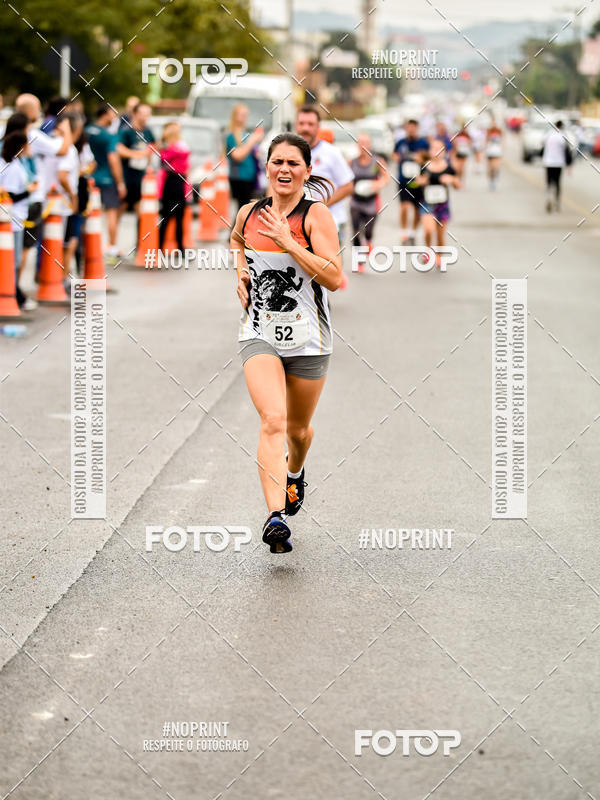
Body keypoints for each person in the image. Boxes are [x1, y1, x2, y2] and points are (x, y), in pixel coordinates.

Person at [230, 132, 342, 553]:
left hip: (310, 338)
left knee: (298, 431)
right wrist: (239, 272)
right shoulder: (248, 214)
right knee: (273, 420)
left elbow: (333, 276)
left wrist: (289, 243)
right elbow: (235, 243)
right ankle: (275, 516)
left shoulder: (316, 217)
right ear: (267, 166)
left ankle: (295, 475)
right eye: (277, 161)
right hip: (258, 331)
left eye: (294, 163)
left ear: (307, 171)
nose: (284, 169)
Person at [295, 106, 354, 288]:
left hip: (330, 220)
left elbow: (348, 186)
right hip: (297, 220)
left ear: (318, 127)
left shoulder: (331, 153)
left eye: (310, 124)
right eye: (302, 123)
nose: (306, 128)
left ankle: (324, 298)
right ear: (296, 125)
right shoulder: (290, 152)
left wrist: (320, 205)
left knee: (324, 271)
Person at [1, 131, 39, 307]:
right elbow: (9, 196)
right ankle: (13, 295)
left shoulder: (16, 163)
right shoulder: (11, 167)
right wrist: (28, 191)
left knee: (14, 260)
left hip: (16, 217)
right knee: (13, 260)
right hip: (12, 219)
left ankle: (13, 294)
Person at [86, 104, 126, 263]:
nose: (115, 117)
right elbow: (113, 158)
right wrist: (121, 182)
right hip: (108, 178)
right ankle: (112, 248)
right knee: (111, 214)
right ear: (106, 114)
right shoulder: (108, 136)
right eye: (113, 114)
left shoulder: (87, 130)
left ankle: (88, 247)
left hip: (90, 178)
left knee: (89, 214)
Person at [417, 138, 460, 268]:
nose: (436, 151)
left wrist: (451, 179)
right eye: (434, 148)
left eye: (439, 149)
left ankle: (439, 257)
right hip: (427, 203)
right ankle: (428, 250)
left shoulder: (448, 167)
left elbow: (458, 185)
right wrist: (421, 181)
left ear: (444, 151)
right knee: (429, 229)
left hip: (442, 204)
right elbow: (416, 181)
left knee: (440, 235)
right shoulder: (423, 166)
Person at [349, 133, 389, 272]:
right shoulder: (352, 162)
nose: (363, 146)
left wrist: (379, 184)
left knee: (368, 232)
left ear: (370, 145)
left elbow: (386, 177)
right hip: (355, 201)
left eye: (365, 143)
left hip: (372, 202)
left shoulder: (377, 161)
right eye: (360, 143)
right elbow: (344, 178)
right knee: (355, 231)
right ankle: (359, 263)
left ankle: (369, 242)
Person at [392, 119, 429, 246]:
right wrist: (398, 157)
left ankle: (412, 234)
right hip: (404, 180)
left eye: (413, 127)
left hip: (418, 180)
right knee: (404, 207)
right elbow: (394, 155)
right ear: (406, 128)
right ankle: (404, 234)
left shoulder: (423, 143)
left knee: (417, 209)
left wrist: (420, 159)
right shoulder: (401, 143)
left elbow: (429, 158)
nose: (411, 130)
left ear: (417, 128)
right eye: (409, 127)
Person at [157, 121, 191, 255]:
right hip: (172, 182)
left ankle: (179, 247)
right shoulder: (173, 148)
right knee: (168, 216)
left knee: (177, 216)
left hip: (177, 181)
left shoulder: (176, 147)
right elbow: (165, 159)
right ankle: (163, 247)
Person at [117, 102, 155, 217]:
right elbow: (118, 150)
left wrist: (148, 154)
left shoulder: (147, 131)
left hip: (141, 176)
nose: (145, 117)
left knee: (141, 209)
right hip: (126, 176)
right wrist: (136, 154)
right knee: (121, 207)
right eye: (142, 114)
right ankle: (114, 235)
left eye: (147, 115)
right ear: (134, 114)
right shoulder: (126, 131)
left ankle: (142, 234)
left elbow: (153, 146)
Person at [225, 104, 264, 211]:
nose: (245, 117)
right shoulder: (231, 135)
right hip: (239, 178)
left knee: (248, 208)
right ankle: (237, 228)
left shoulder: (245, 134)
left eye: (246, 114)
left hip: (250, 177)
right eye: (242, 114)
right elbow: (237, 156)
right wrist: (252, 141)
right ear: (235, 116)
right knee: (242, 209)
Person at [542, 120, 571, 213]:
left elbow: (543, 148)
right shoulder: (563, 136)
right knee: (557, 182)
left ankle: (548, 197)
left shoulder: (548, 135)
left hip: (548, 162)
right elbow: (567, 152)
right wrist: (569, 164)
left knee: (549, 182)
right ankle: (557, 201)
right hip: (558, 163)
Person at [485, 120, 503, 190]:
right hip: (490, 151)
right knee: (491, 168)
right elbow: (486, 141)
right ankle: (491, 181)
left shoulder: (499, 131)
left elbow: (502, 140)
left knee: (497, 167)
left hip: (497, 151)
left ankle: (496, 177)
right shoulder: (489, 131)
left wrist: (502, 149)